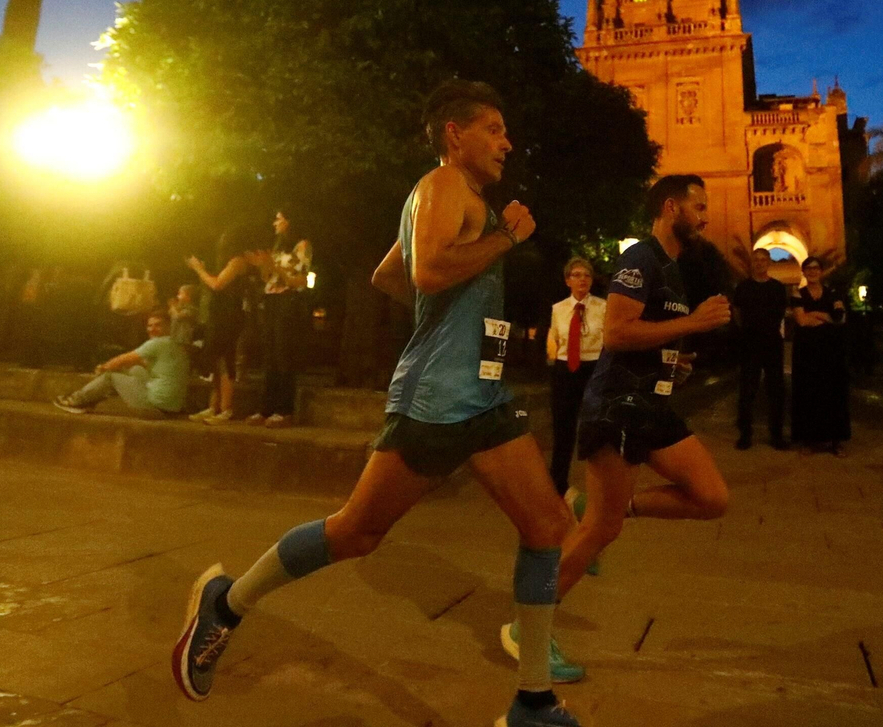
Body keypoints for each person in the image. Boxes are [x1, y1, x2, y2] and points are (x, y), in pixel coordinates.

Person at [171, 81, 583, 727]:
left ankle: (533, 700)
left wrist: (448, 318)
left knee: (547, 526)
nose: (507, 142)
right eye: (494, 129)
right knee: (355, 532)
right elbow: (426, 272)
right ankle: (225, 604)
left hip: (481, 394)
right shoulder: (442, 184)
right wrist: (505, 238)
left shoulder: (461, 197)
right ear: (455, 134)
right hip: (438, 399)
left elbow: (389, 275)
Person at [502, 175, 733, 681]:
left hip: (653, 405)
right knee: (600, 532)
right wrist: (693, 323)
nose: (705, 216)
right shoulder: (639, 260)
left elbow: (648, 336)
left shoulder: (672, 269)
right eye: (698, 206)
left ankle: (605, 504)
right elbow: (618, 333)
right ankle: (526, 627)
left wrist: (673, 361)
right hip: (617, 407)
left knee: (712, 497)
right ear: (670, 207)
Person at [186, 223, 266, 425]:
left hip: (230, 315)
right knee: (215, 360)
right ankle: (214, 406)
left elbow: (217, 284)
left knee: (225, 360)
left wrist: (199, 270)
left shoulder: (237, 261)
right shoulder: (227, 261)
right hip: (219, 313)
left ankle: (226, 408)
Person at [545, 257, 605, 498]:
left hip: (594, 368)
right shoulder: (558, 309)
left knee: (596, 428)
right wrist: (552, 361)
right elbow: (554, 339)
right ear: (567, 280)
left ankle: (601, 482)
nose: (582, 279)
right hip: (565, 370)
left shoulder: (603, 307)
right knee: (563, 428)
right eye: (577, 275)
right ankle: (557, 481)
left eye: (587, 275)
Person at [53, 310, 189, 417]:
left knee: (110, 377)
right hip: (171, 408)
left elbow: (123, 359)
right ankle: (90, 400)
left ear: (168, 326)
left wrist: (104, 367)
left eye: (158, 325)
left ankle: (75, 401)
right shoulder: (175, 344)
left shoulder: (157, 343)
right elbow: (141, 363)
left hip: (154, 407)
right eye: (149, 325)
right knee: (135, 369)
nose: (152, 329)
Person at [247, 215, 311, 428]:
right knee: (269, 354)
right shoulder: (277, 247)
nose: (274, 223)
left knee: (283, 353)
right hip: (271, 300)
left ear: (289, 222)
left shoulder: (302, 246)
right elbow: (268, 278)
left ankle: (284, 410)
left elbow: (298, 280)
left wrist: (273, 266)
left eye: (279, 219)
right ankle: (266, 408)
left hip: (288, 301)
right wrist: (262, 265)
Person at [789, 256, 850, 455]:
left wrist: (815, 314)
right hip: (807, 351)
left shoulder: (833, 293)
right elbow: (801, 321)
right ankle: (810, 439)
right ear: (804, 272)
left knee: (833, 392)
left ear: (821, 271)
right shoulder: (798, 293)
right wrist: (826, 316)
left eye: (816, 268)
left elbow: (840, 318)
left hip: (830, 351)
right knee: (808, 392)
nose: (812, 272)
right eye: (808, 268)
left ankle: (835, 440)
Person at [732, 250, 789, 450]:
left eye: (763, 260)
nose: (759, 263)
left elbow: (781, 312)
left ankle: (777, 435)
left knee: (776, 390)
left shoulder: (777, 288)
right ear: (752, 263)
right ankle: (745, 434)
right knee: (747, 389)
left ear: (769, 263)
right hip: (750, 343)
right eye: (756, 260)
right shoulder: (743, 287)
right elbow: (737, 312)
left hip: (772, 342)